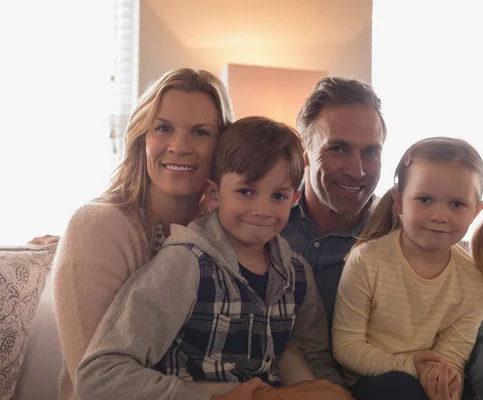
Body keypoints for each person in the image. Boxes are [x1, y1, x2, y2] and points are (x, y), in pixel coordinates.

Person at [53, 68, 347, 400]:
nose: (179, 146)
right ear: (141, 137)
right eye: (163, 128)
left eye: (200, 132)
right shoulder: (165, 251)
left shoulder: (255, 246)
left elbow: (291, 346)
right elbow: (96, 379)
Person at [281, 77, 483, 399]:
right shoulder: (264, 225)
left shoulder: (417, 233)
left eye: (371, 152)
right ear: (304, 151)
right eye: (338, 148)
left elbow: (482, 338)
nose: (357, 170)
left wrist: (450, 379)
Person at [332, 137, 483, 400]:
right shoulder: (367, 260)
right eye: (424, 199)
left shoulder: (476, 280)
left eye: (456, 204)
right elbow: (346, 347)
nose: (439, 215)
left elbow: (453, 354)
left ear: (476, 212)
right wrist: (410, 367)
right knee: (401, 387)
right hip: (373, 381)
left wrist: (446, 383)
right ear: (398, 201)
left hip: (427, 383)